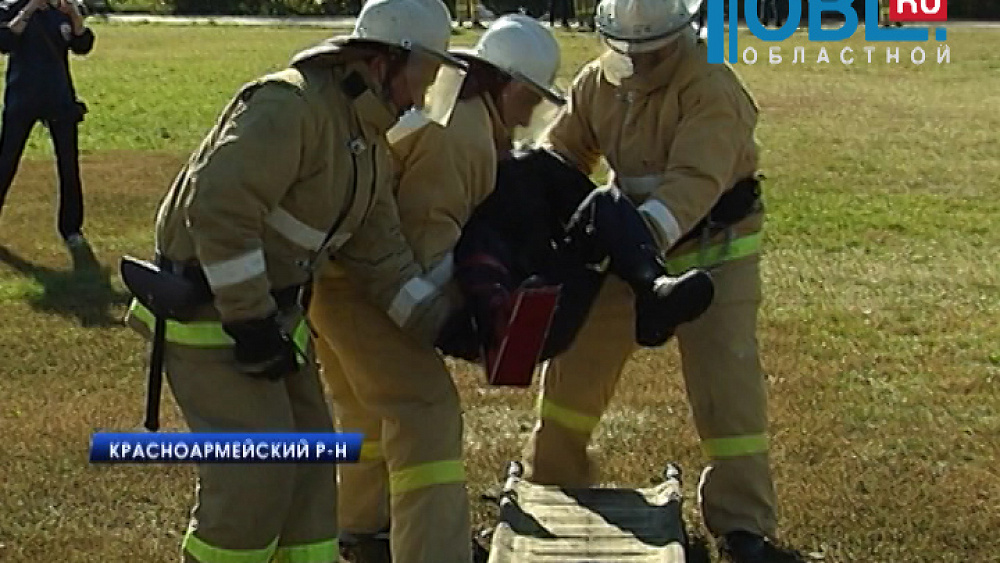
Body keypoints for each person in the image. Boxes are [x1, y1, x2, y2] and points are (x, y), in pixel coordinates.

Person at [121, 0, 466, 561]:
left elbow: (380, 257)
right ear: (381, 64)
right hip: (212, 319)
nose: (421, 97)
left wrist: (446, 325)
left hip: (274, 321)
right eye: (421, 77)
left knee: (308, 476)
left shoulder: (368, 147)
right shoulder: (292, 106)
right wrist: (252, 322)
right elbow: (219, 208)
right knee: (256, 481)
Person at [517, 0, 804, 561]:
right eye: (628, 50)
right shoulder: (599, 79)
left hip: (716, 250)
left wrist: (635, 242)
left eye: (651, 51)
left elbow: (692, 183)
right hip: (629, 247)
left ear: (682, 33)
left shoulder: (712, 86)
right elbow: (564, 152)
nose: (638, 63)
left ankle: (743, 527)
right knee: (575, 369)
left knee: (728, 389)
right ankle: (552, 484)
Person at [310, 14, 564, 563]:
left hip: (330, 277)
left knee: (366, 409)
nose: (529, 117)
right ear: (512, 87)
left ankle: (362, 526)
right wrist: (480, 310)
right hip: (365, 288)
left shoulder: (453, 115)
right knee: (423, 410)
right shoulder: (466, 134)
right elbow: (426, 252)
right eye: (532, 100)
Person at [0, 0, 94, 248]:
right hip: (22, 97)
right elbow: (5, 41)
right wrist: (29, 10)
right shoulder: (12, 6)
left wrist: (74, 15)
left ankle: (71, 228)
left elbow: (82, 45)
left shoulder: (65, 8)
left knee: (68, 164)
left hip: (59, 97)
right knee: (5, 161)